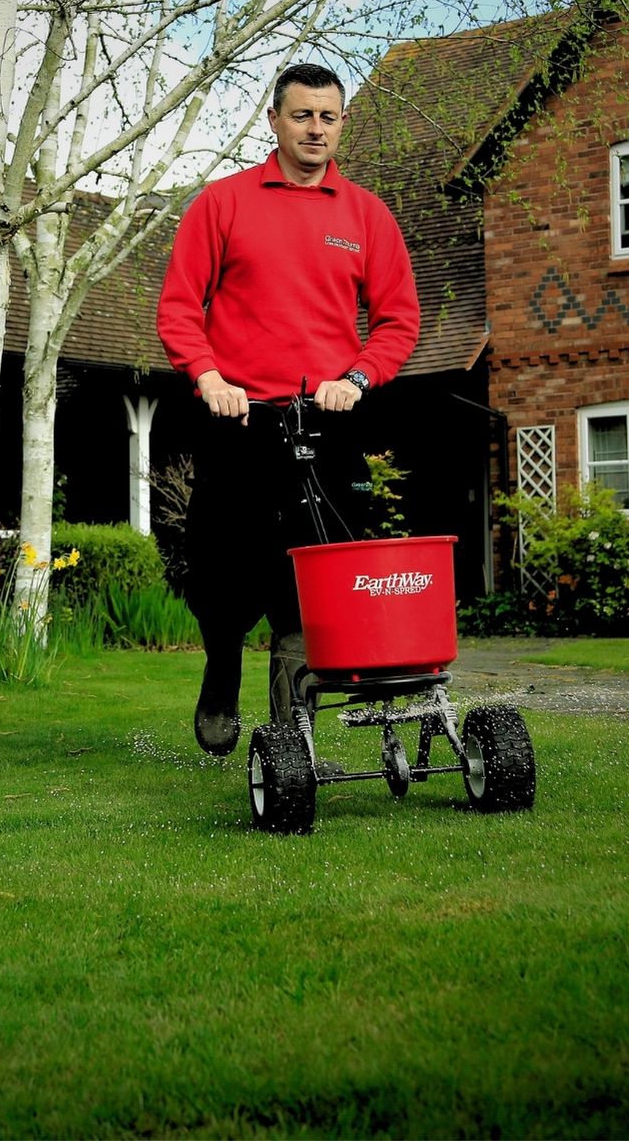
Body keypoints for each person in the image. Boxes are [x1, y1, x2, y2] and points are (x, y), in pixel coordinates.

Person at [156, 61, 420, 756]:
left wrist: (357, 378)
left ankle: (288, 729)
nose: (315, 129)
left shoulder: (366, 215)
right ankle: (221, 669)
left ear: (342, 123)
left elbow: (398, 321)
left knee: (314, 572)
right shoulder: (223, 203)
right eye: (302, 115)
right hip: (239, 419)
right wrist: (209, 378)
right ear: (273, 120)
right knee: (219, 564)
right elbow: (179, 308)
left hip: (327, 419)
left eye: (328, 117)